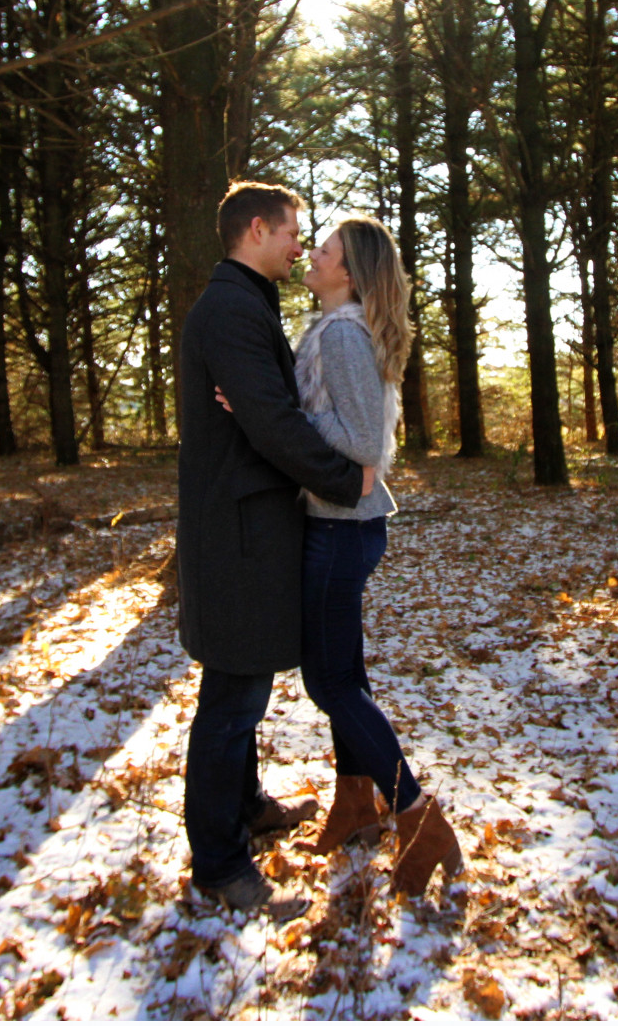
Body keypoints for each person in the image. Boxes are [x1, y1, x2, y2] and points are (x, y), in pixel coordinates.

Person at [226, 215, 464, 897]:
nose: (310, 252)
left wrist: (266, 413)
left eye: (323, 249)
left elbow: (362, 442)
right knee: (344, 673)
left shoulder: (342, 333)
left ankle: (418, 815)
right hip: (339, 523)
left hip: (341, 527)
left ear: (350, 274)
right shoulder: (336, 329)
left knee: (330, 684)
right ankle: (357, 802)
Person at [175, 181, 375, 915]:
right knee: (233, 694)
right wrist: (347, 478)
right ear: (256, 229)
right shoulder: (230, 308)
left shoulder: (246, 301)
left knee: (246, 680)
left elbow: (271, 408)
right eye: (294, 230)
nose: (301, 244)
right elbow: (271, 421)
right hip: (236, 533)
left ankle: (248, 805)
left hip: (251, 525)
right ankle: (220, 862)